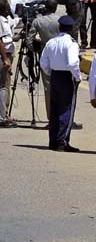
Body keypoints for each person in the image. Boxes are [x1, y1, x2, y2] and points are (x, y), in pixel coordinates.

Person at [40, 15, 82, 152]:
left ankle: (53, 141)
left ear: (59, 27)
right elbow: (73, 62)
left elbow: (43, 62)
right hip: (66, 77)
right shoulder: (71, 43)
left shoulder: (51, 42)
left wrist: (50, 72)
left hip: (55, 75)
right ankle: (62, 141)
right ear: (71, 29)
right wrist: (77, 77)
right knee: (66, 110)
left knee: (55, 109)